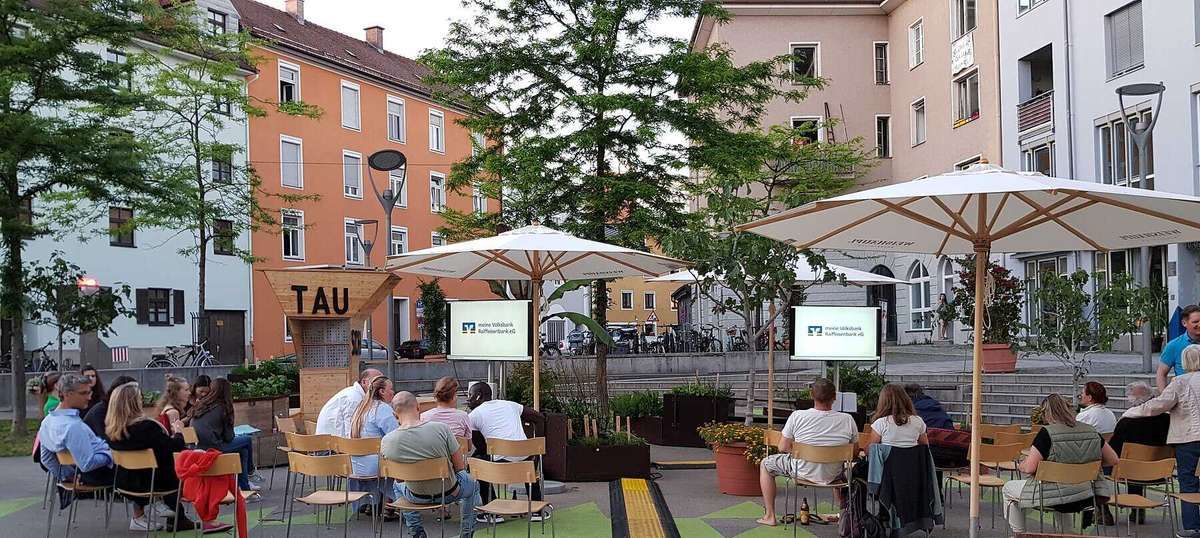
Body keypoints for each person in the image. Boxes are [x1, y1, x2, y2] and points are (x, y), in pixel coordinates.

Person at [1002, 393, 1117, 534]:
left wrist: (1021, 464)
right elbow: (1113, 460)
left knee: (1008, 488)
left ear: (1046, 413)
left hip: (1051, 497)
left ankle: (1019, 533)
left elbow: (1030, 467)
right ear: (1069, 409)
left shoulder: (1047, 433)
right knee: (1065, 489)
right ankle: (1066, 533)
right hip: (1085, 495)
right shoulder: (1091, 430)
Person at [756, 378, 858, 527]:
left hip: (801, 471)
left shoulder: (798, 416)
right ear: (834, 397)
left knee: (766, 464)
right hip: (833, 474)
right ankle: (842, 515)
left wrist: (802, 453)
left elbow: (782, 447)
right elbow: (853, 454)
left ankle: (770, 515)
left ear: (812, 396)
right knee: (843, 468)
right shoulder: (848, 420)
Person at [1122, 344, 1200, 537]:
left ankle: (1192, 528)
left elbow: (1156, 406)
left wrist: (1131, 412)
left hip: (1187, 438)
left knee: (1188, 482)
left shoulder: (1180, 382)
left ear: (1183, 362)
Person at [104, 383, 201, 532]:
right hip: (156, 483)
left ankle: (174, 515)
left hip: (124, 482)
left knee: (162, 464)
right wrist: (179, 432)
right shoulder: (147, 428)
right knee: (184, 462)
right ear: (135, 403)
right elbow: (174, 448)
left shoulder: (112, 430)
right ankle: (177, 514)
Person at [382, 391, 480, 538]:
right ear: (418, 407)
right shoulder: (441, 429)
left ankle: (417, 532)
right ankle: (466, 534)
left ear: (395, 414)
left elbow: (399, 478)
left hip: (415, 496)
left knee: (397, 485)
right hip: (449, 491)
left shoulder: (387, 441)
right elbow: (460, 467)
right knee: (472, 484)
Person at [36, 374, 122, 522]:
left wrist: (66, 475)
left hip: (81, 473)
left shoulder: (47, 422)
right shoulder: (73, 426)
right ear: (68, 395)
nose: (89, 397)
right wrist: (110, 455)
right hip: (98, 473)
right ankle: (146, 510)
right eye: (84, 393)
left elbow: (46, 458)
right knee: (145, 467)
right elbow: (87, 464)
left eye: (89, 392)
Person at [467, 381, 546, 517]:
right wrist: (533, 444)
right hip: (526, 463)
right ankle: (537, 510)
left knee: (477, 461)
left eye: (470, 395)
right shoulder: (510, 404)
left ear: (479, 396)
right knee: (530, 465)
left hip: (500, 467)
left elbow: (480, 447)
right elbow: (539, 417)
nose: (468, 399)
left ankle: (492, 512)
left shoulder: (474, 416)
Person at [1109, 381, 1170, 524]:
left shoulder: (1127, 422)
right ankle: (1137, 509)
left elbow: (1114, 450)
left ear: (1131, 400)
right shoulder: (1167, 419)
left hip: (1131, 471)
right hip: (1161, 472)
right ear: (1152, 397)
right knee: (1136, 463)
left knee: (1106, 467)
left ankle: (1103, 511)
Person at [189, 378, 258, 494]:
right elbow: (229, 438)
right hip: (213, 447)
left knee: (243, 451)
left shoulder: (202, 404)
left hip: (197, 447)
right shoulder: (223, 407)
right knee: (247, 440)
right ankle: (250, 472)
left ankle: (245, 488)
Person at [347, 375, 398, 514]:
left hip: (355, 465)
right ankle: (395, 502)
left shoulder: (361, 408)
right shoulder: (382, 409)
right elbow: (396, 436)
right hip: (375, 466)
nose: (393, 392)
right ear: (382, 391)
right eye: (391, 389)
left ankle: (372, 501)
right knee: (401, 458)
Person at [316, 368, 384, 437]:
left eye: (382, 382)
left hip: (329, 440)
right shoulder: (354, 398)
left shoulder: (355, 394)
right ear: (364, 382)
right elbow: (350, 431)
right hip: (330, 443)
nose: (380, 385)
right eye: (376, 382)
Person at [867, 384, 928, 448]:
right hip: (912, 457)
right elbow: (925, 448)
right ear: (905, 399)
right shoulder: (918, 421)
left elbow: (868, 450)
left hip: (888, 458)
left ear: (883, 402)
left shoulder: (881, 423)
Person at [1159, 304, 1200, 391]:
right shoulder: (1174, 345)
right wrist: (1165, 397)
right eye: (1195, 322)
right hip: (1186, 398)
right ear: (1184, 323)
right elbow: (1161, 373)